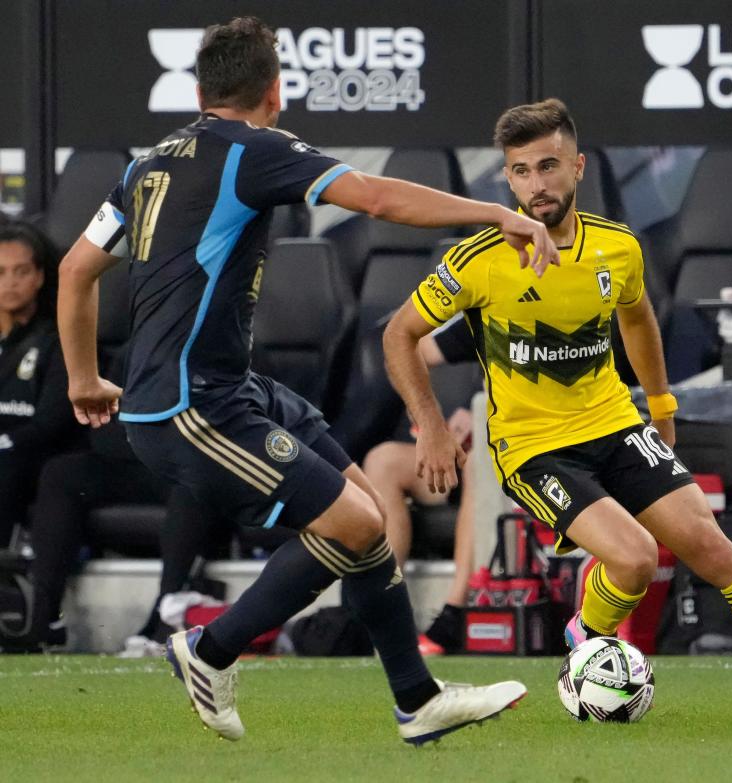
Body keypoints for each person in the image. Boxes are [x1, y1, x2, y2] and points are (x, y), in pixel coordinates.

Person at [57, 17, 557, 744]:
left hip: (229, 388)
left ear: (199, 92)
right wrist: (493, 213)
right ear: (276, 92)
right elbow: (379, 199)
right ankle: (209, 647)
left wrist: (82, 380)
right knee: (355, 522)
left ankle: (416, 699)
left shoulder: (148, 163)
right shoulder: (254, 150)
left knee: (361, 507)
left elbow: (74, 271)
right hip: (192, 407)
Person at [384, 97, 732, 722]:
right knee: (632, 557)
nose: (536, 184)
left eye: (548, 166)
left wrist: (661, 405)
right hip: (531, 445)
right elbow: (398, 335)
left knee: (715, 551)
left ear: (577, 168)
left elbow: (638, 319)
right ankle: (586, 635)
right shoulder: (481, 258)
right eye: (521, 171)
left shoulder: (616, 248)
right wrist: (432, 428)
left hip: (614, 422)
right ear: (508, 179)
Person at [363, 315, 480, 654]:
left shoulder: (569, 306)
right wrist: (428, 419)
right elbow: (405, 347)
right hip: (470, 448)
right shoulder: (491, 308)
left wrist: (482, 411)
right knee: (382, 461)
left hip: (527, 452)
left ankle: (454, 613)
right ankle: (383, 611)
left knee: (482, 458)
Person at [0, 221, 79, 548]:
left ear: (40, 276)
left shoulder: (59, 340)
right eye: (0, 272)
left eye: (20, 271)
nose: (9, 283)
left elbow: (50, 424)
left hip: (32, 458)